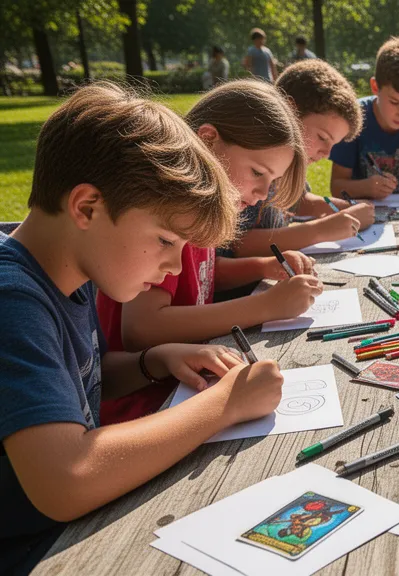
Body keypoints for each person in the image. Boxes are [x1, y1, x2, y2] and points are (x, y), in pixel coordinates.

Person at [0, 83, 284, 575]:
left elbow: (72, 381)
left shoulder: (69, 272)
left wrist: (154, 362)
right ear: (86, 206)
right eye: (166, 240)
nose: (176, 267)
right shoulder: (13, 301)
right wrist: (226, 404)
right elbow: (67, 478)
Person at [95, 80, 321, 425]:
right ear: (207, 140)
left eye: (270, 181)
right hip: (143, 405)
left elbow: (201, 276)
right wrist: (267, 306)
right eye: (257, 172)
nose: (262, 192)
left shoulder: (202, 213)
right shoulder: (169, 216)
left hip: (185, 385)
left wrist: (263, 267)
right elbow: (141, 328)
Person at [227, 59, 375, 258]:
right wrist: (319, 230)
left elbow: (296, 199)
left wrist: (345, 209)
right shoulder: (257, 160)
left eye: (333, 144)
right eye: (322, 138)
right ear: (290, 111)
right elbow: (237, 243)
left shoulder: (287, 165)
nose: (327, 153)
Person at [329, 37, 399, 203]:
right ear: (375, 87)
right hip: (361, 212)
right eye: (395, 102)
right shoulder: (353, 117)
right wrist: (367, 187)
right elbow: (337, 186)